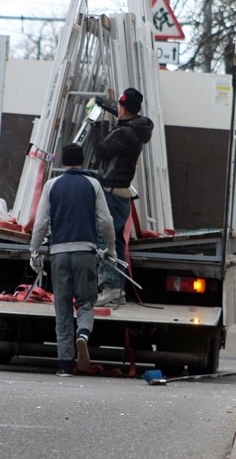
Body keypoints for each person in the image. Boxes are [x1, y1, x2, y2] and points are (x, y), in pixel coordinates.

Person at [30, 143, 116, 376]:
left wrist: (34, 250)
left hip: (58, 255)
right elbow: (106, 222)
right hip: (85, 254)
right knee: (86, 303)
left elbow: (41, 224)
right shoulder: (93, 184)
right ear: (82, 162)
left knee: (63, 308)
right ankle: (83, 335)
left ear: (63, 163)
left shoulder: (52, 186)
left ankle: (65, 365)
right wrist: (111, 249)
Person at [91, 87, 154, 307]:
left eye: (119, 105)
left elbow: (100, 152)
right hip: (120, 195)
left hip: (110, 194)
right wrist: (100, 102)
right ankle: (117, 290)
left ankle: (110, 287)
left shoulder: (125, 134)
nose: (116, 108)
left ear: (125, 109)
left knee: (103, 239)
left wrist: (95, 125)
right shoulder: (136, 126)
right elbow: (117, 109)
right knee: (115, 240)